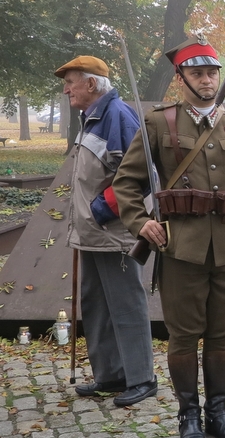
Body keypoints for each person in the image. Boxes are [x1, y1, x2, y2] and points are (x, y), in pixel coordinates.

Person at [113, 36, 225, 438]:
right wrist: (141, 223)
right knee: (184, 337)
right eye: (197, 73)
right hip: (180, 247)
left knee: (221, 335)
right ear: (181, 77)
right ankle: (189, 415)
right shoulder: (160, 122)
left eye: (212, 72)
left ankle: (219, 411)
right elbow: (126, 184)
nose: (207, 79)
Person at [55, 55, 157, 407]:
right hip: (91, 235)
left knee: (126, 305)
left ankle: (142, 377)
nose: (66, 89)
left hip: (114, 234)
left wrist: (98, 211)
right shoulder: (91, 118)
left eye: (71, 82)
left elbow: (143, 177)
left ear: (92, 84)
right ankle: (110, 375)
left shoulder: (118, 116)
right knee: (95, 304)